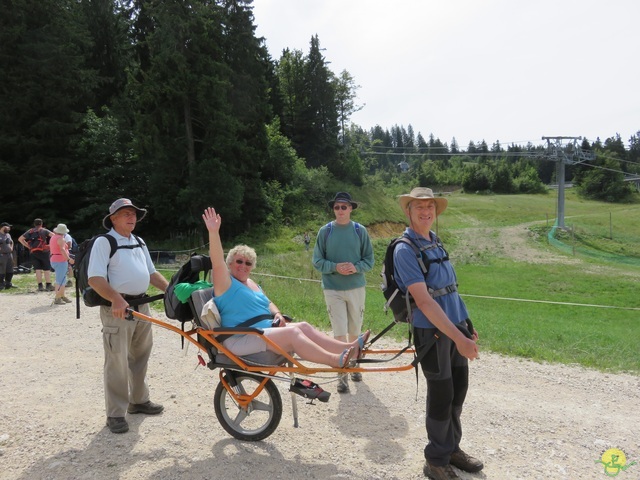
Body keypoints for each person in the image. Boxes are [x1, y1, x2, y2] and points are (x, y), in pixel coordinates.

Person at [202, 206, 368, 368]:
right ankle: (334, 360)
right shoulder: (226, 283)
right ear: (230, 263)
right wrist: (213, 232)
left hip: (262, 330)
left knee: (303, 326)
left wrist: (278, 314)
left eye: (248, 263)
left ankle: (350, 349)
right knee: (293, 333)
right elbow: (217, 262)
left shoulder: (252, 283)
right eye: (239, 261)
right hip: (240, 336)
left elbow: (268, 303)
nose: (243, 266)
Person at [393, 187, 482, 480]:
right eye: (419, 206)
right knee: (442, 396)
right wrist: (458, 338)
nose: (425, 211)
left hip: (454, 326)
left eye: (430, 206)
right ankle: (435, 460)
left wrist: (466, 325)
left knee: (458, 391)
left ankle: (451, 448)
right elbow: (424, 301)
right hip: (430, 332)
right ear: (408, 211)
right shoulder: (405, 249)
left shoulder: (435, 241)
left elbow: (450, 287)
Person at [87, 198, 169, 434]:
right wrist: (115, 298)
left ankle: (139, 400)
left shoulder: (139, 241)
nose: (131, 217)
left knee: (141, 356)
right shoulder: (105, 242)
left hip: (141, 306)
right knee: (117, 361)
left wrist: (172, 291)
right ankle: (115, 414)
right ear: (113, 219)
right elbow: (95, 278)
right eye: (125, 214)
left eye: (133, 213)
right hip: (118, 309)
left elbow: (152, 274)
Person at [312, 192, 374, 393]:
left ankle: (354, 364)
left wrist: (355, 268)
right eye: (337, 207)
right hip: (332, 289)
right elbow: (317, 261)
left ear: (351, 209)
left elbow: (369, 260)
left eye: (344, 207)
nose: (340, 210)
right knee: (339, 333)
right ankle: (342, 374)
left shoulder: (359, 231)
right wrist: (335, 267)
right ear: (333, 209)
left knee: (355, 330)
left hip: (356, 287)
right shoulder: (325, 231)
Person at [19, 218, 54, 291]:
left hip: (33, 252)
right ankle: (48, 285)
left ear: (34, 224)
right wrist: (50, 245)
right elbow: (54, 237)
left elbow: (20, 239)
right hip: (44, 252)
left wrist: (28, 246)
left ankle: (40, 286)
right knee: (46, 269)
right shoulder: (44, 230)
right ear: (41, 224)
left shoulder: (30, 231)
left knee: (38, 269)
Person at [49, 224, 74, 305]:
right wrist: (69, 259)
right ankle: (58, 297)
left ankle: (62, 295)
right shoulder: (61, 239)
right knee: (60, 280)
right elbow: (62, 250)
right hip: (60, 260)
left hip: (55, 259)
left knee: (63, 279)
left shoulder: (53, 237)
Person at [0, 222, 15, 290]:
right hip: (2, 255)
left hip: (9, 254)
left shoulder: (8, 235)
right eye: (8, 227)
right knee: (1, 270)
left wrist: (11, 248)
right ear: (3, 227)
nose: (9, 228)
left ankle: (8, 283)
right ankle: (1, 284)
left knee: (10, 270)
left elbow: (11, 242)